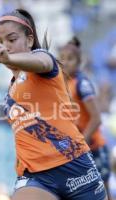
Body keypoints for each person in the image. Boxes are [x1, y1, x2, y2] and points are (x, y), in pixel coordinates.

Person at [0, 8, 107, 200]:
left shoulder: (44, 59)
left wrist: (8, 58)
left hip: (75, 166)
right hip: (36, 176)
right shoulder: (10, 91)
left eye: (11, 39)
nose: (5, 46)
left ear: (29, 39)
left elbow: (41, 63)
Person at [59, 37, 112, 200]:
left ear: (79, 62)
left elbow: (96, 119)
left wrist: (82, 142)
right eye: (62, 59)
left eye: (70, 59)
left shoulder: (82, 84)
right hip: (78, 150)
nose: (65, 63)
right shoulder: (61, 84)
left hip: (94, 147)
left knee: (103, 191)